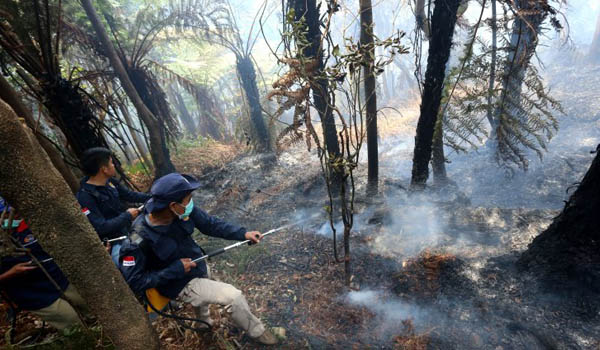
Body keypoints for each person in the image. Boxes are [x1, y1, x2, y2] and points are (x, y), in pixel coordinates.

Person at [119, 173, 278, 345]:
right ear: (173, 205)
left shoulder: (179, 212)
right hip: (179, 283)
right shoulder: (136, 243)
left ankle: (203, 325)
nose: (191, 202)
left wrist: (243, 234)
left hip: (198, 264)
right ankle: (258, 332)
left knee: (203, 300)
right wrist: (174, 270)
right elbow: (134, 281)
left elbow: (210, 224)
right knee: (233, 296)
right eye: (188, 199)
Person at [0, 197, 89, 331]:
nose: (12, 217)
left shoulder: (29, 224)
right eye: (5, 215)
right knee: (72, 321)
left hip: (58, 278)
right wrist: (12, 272)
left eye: (14, 213)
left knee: (90, 304)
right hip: (34, 294)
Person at [76, 147, 151, 265]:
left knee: (149, 248)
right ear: (104, 169)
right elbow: (101, 227)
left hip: (130, 232)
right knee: (130, 266)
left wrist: (154, 196)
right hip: (115, 243)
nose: (114, 166)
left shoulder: (110, 181)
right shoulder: (85, 197)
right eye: (111, 163)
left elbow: (129, 195)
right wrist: (127, 216)